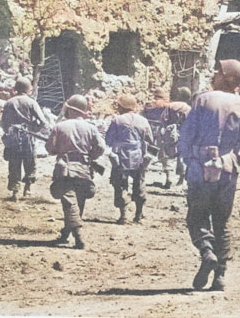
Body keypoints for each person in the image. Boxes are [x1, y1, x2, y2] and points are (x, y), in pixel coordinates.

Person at [177, 59, 240, 291]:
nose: (215, 74)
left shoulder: (203, 99)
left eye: (219, 71)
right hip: (228, 168)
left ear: (227, 77)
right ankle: (220, 276)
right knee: (222, 222)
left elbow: (186, 135)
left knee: (196, 217)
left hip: (200, 166)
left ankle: (207, 252)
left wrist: (187, 160)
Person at [46, 95, 105, 249]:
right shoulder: (91, 127)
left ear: (70, 110)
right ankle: (66, 233)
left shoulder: (60, 127)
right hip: (84, 169)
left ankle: (78, 236)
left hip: (65, 170)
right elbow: (100, 147)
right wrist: (90, 156)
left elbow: (50, 149)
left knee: (70, 203)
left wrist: (60, 148)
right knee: (77, 203)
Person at [105, 94, 153, 224]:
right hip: (139, 157)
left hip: (121, 158)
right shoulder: (143, 121)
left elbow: (108, 139)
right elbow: (150, 139)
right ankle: (138, 215)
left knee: (120, 185)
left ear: (122, 106)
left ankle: (123, 216)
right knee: (140, 184)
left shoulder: (117, 120)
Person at [0, 77, 47, 201]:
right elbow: (42, 121)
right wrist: (34, 130)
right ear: (29, 89)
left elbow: (4, 122)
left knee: (14, 163)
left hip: (13, 137)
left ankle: (15, 191)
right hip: (28, 136)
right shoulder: (31, 102)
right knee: (30, 162)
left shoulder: (9, 102)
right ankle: (27, 190)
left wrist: (8, 133)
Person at [141, 87, 190, 188]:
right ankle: (180, 179)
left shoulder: (157, 105)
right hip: (180, 133)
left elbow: (157, 116)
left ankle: (166, 178)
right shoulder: (186, 108)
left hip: (162, 133)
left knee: (158, 154)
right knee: (180, 156)